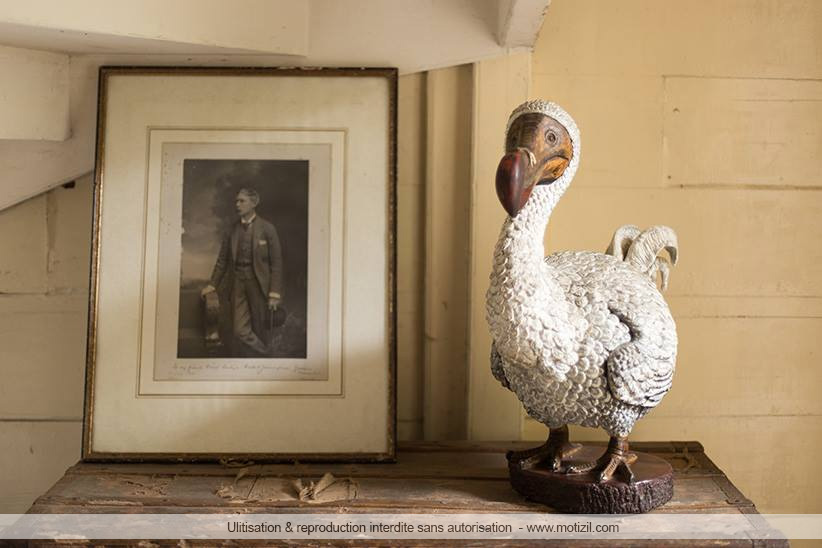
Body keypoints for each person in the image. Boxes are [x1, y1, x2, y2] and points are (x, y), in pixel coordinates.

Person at [201, 188, 283, 355]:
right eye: (236, 201)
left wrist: (274, 293)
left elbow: (277, 263)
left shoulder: (268, 229)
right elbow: (222, 261)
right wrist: (212, 284)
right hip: (237, 282)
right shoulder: (231, 229)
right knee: (239, 330)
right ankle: (267, 354)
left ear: (254, 203)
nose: (237, 204)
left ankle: (263, 365)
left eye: (242, 201)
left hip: (260, 284)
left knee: (261, 326)